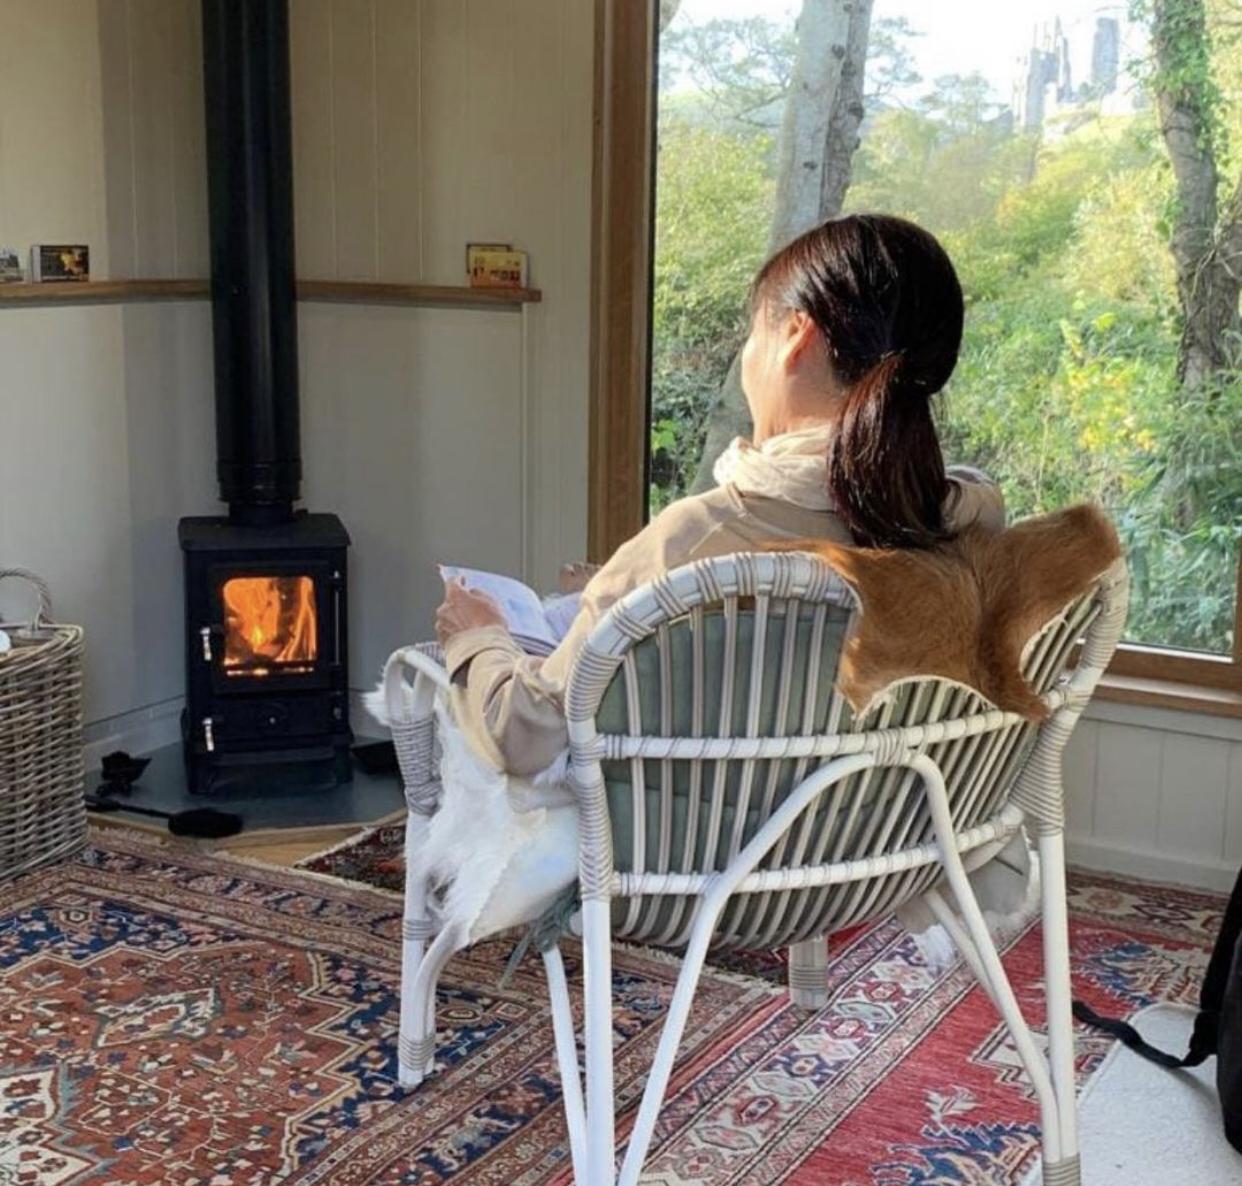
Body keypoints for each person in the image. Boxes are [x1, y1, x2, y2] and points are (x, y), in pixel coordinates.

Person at [435, 213, 1004, 777]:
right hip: (884, 847)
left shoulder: (698, 536)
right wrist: (628, 593)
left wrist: (481, 637)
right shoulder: (971, 523)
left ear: (795, 336)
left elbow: (522, 736)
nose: (747, 358)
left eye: (753, 333)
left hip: (701, 860)